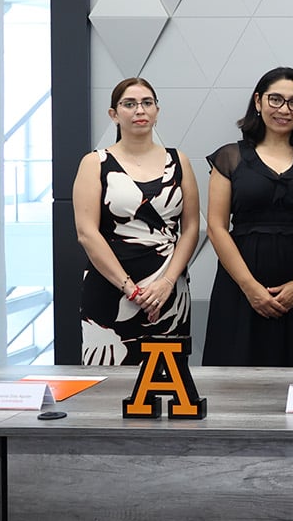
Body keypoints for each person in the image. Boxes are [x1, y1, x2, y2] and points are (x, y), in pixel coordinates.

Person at [203, 67, 293, 366]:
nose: (284, 109)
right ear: (258, 102)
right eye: (275, 100)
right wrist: (251, 288)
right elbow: (217, 227)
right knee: (236, 381)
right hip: (240, 286)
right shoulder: (229, 157)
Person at [74, 77, 199, 365]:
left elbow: (191, 228)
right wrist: (132, 289)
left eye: (147, 103)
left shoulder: (179, 160)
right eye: (129, 104)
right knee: (107, 386)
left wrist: (167, 283)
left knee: (169, 384)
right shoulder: (95, 162)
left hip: (169, 291)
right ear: (114, 114)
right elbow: (86, 233)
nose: (139, 110)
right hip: (110, 287)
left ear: (157, 110)